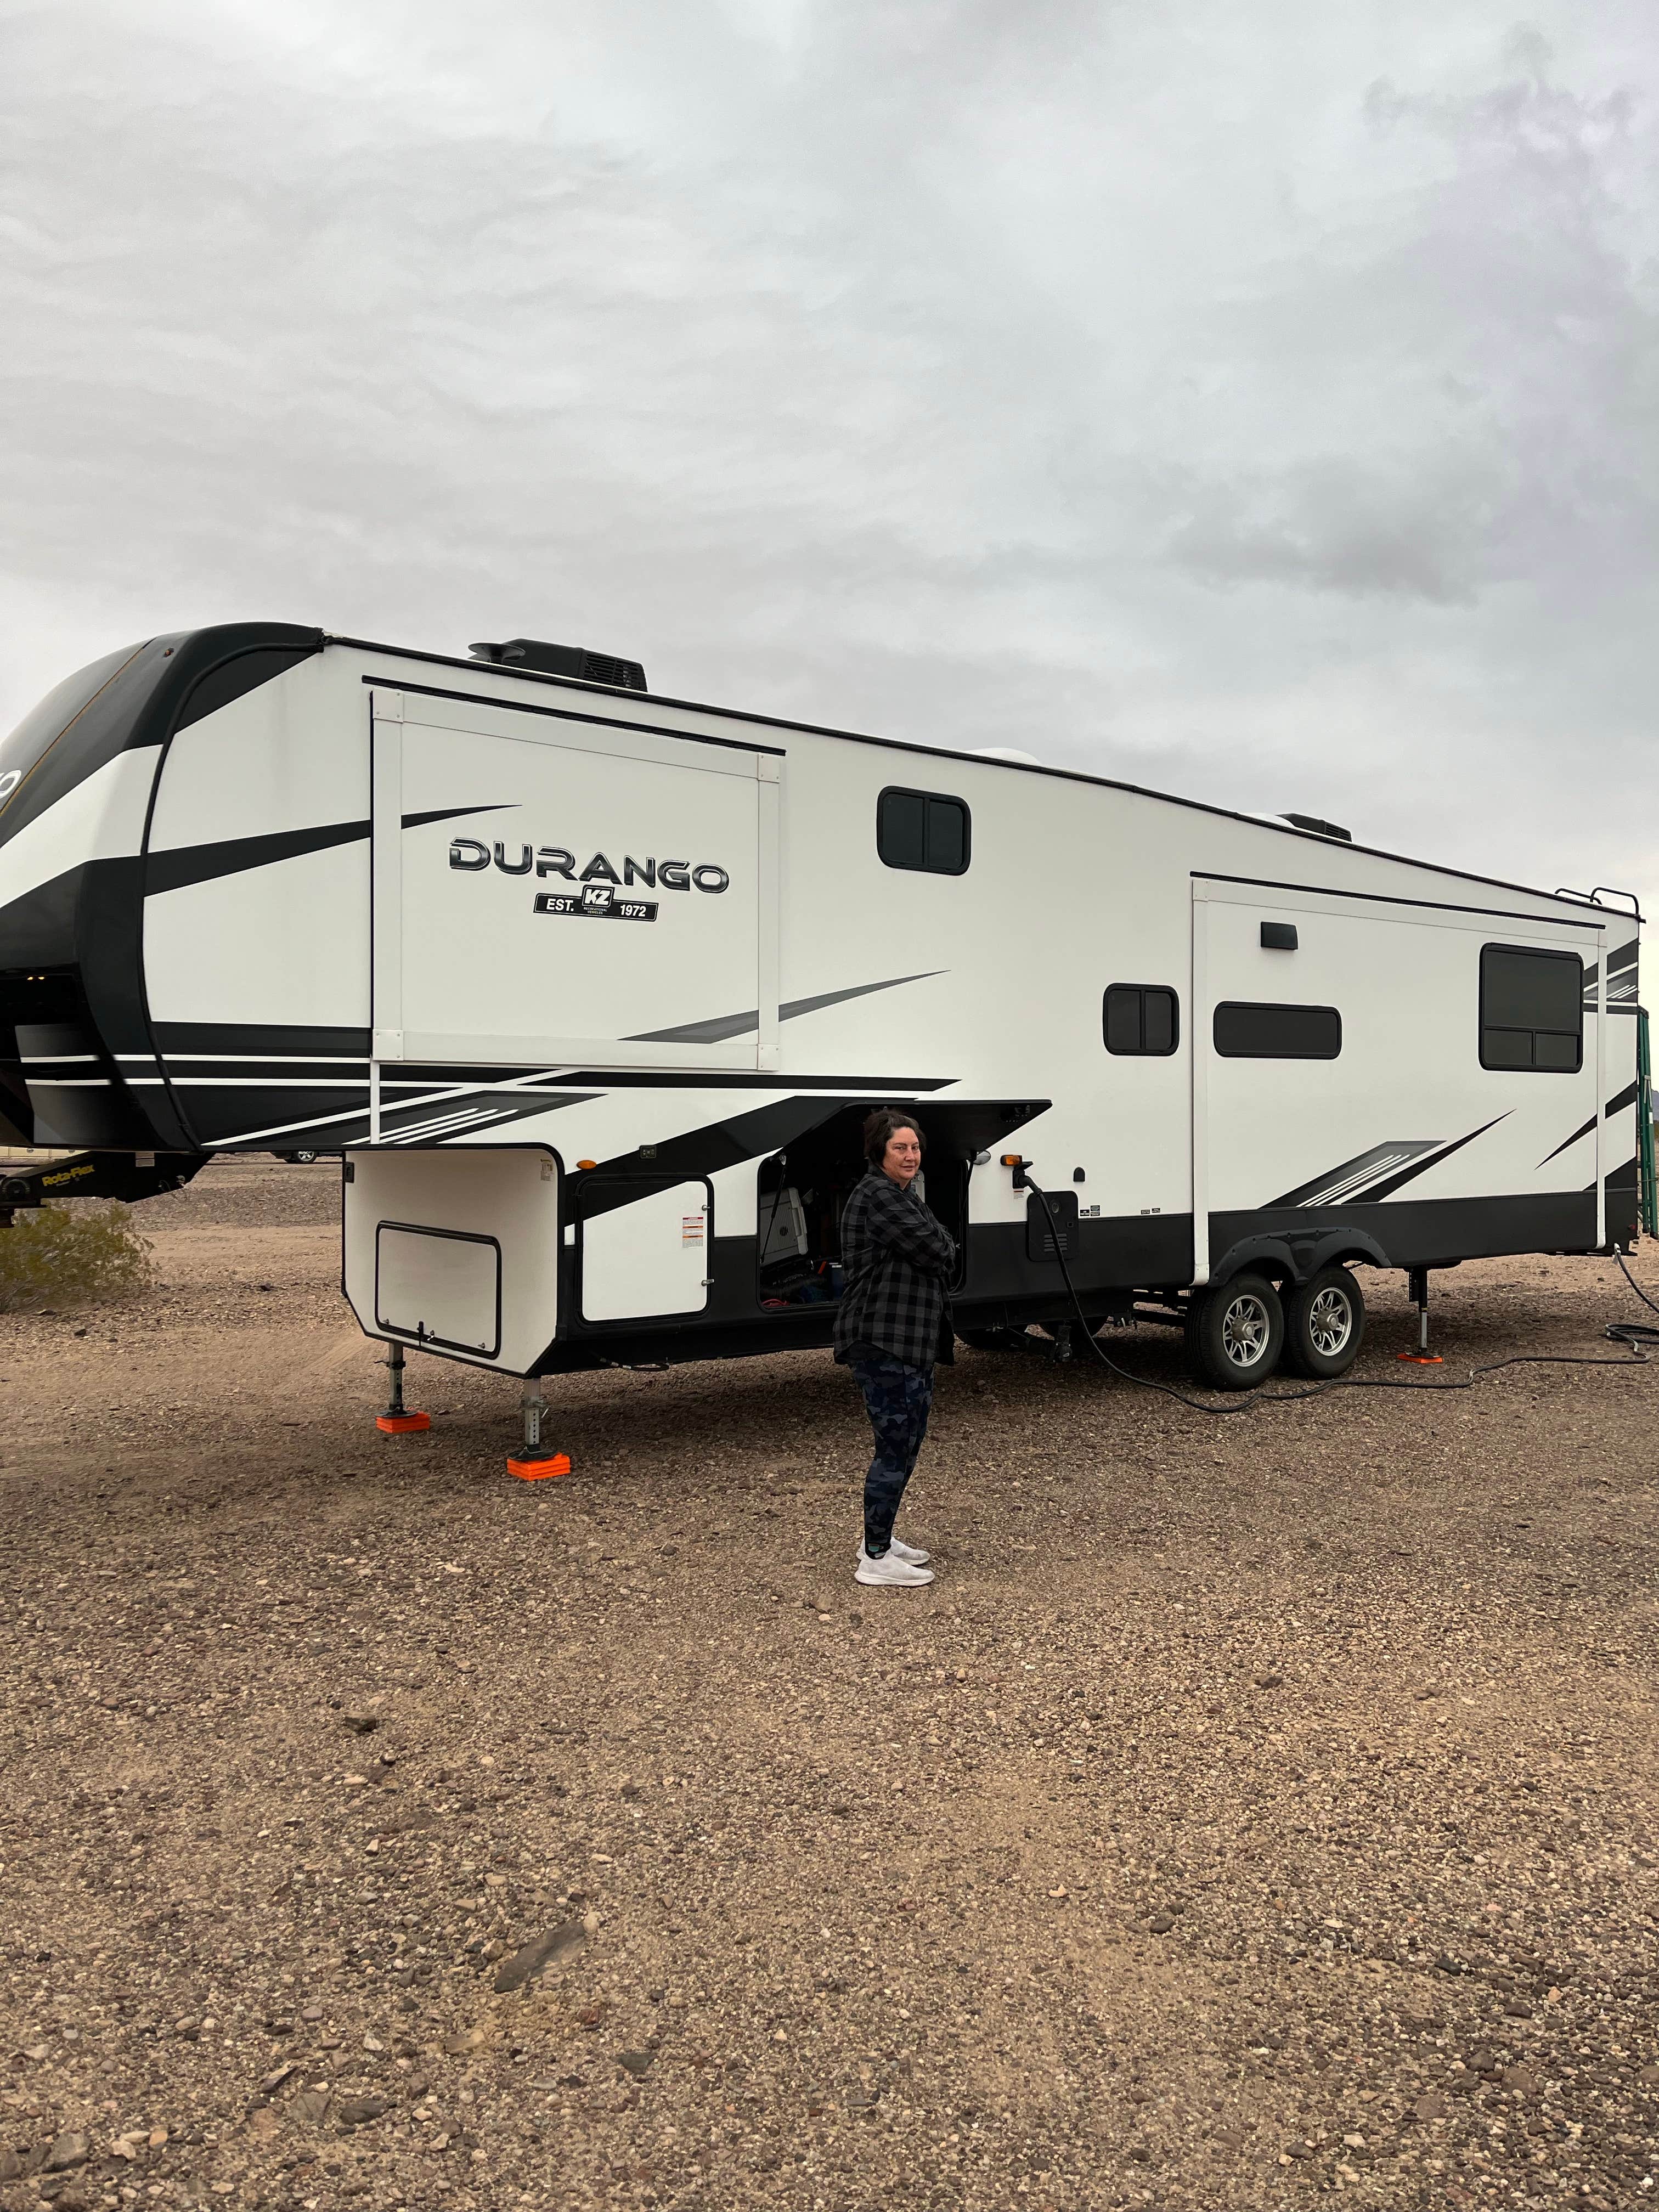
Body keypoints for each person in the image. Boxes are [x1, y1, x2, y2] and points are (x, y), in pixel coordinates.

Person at [834, 1109, 956, 1588]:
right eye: (900, 1148)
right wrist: (940, 1244)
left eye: (915, 1148)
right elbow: (941, 1251)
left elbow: (942, 1243)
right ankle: (875, 1559)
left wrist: (940, 1243)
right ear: (879, 1152)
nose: (910, 1156)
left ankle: (878, 1537)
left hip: (907, 1341)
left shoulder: (901, 1195)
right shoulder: (880, 1197)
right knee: (894, 1449)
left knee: (905, 1446)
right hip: (883, 1341)